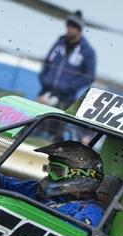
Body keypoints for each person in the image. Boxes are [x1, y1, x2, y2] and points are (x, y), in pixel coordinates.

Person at [0, 141, 105, 227]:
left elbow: (69, 233)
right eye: (50, 170)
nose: (51, 176)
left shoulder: (91, 211)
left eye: (57, 171)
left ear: (83, 176)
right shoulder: (37, 191)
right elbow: (8, 184)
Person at [38, 10, 97, 142]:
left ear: (80, 29)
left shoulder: (87, 51)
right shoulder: (59, 43)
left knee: (57, 129)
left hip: (66, 98)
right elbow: (47, 63)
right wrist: (44, 81)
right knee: (36, 122)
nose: (70, 29)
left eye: (74, 26)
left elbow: (89, 77)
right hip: (46, 92)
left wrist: (68, 87)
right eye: (68, 25)